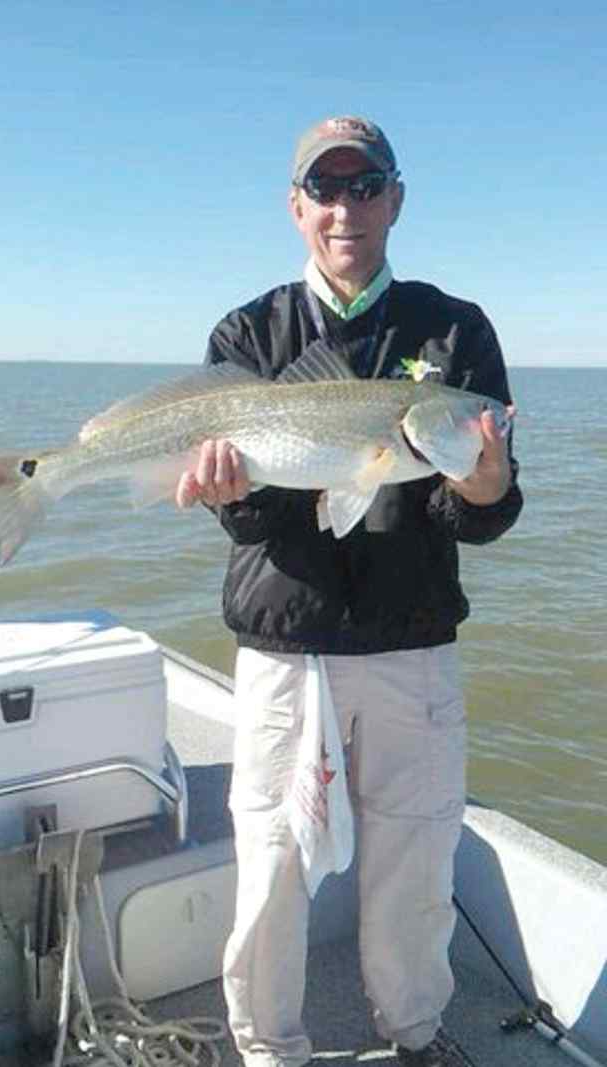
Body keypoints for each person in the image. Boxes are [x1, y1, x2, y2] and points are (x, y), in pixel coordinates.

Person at [177, 116, 523, 1067]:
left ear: (396, 199)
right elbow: (253, 522)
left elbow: (483, 508)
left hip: (413, 649)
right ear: (296, 208)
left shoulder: (454, 330)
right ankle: (267, 1049)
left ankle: (414, 1034)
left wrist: (486, 484)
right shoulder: (247, 334)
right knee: (272, 872)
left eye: (365, 186)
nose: (345, 209)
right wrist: (227, 495)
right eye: (324, 191)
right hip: (286, 652)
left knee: (415, 866)